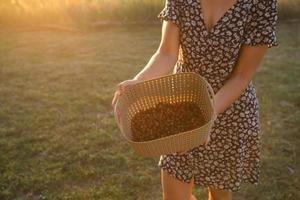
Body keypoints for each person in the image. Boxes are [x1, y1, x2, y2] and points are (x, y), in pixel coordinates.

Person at [111, 0, 278, 199]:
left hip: (230, 114)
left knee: (219, 195)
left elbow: (241, 76)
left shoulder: (261, 3)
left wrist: (206, 120)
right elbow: (166, 53)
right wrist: (138, 81)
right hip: (182, 114)